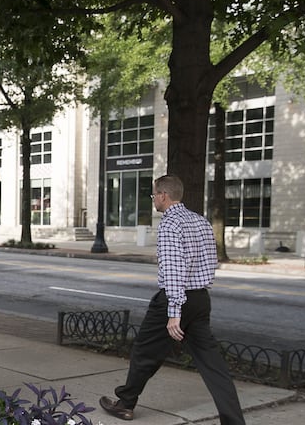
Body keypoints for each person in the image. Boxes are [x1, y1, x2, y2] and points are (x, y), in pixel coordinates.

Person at [99, 175, 246, 424]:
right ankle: (234, 421)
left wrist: (174, 311)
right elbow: (211, 263)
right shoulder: (201, 221)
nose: (153, 199)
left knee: (144, 351)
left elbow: (174, 268)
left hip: (174, 299)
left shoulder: (170, 224)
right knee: (213, 364)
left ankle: (125, 404)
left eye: (154, 195)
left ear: (163, 196)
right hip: (200, 299)